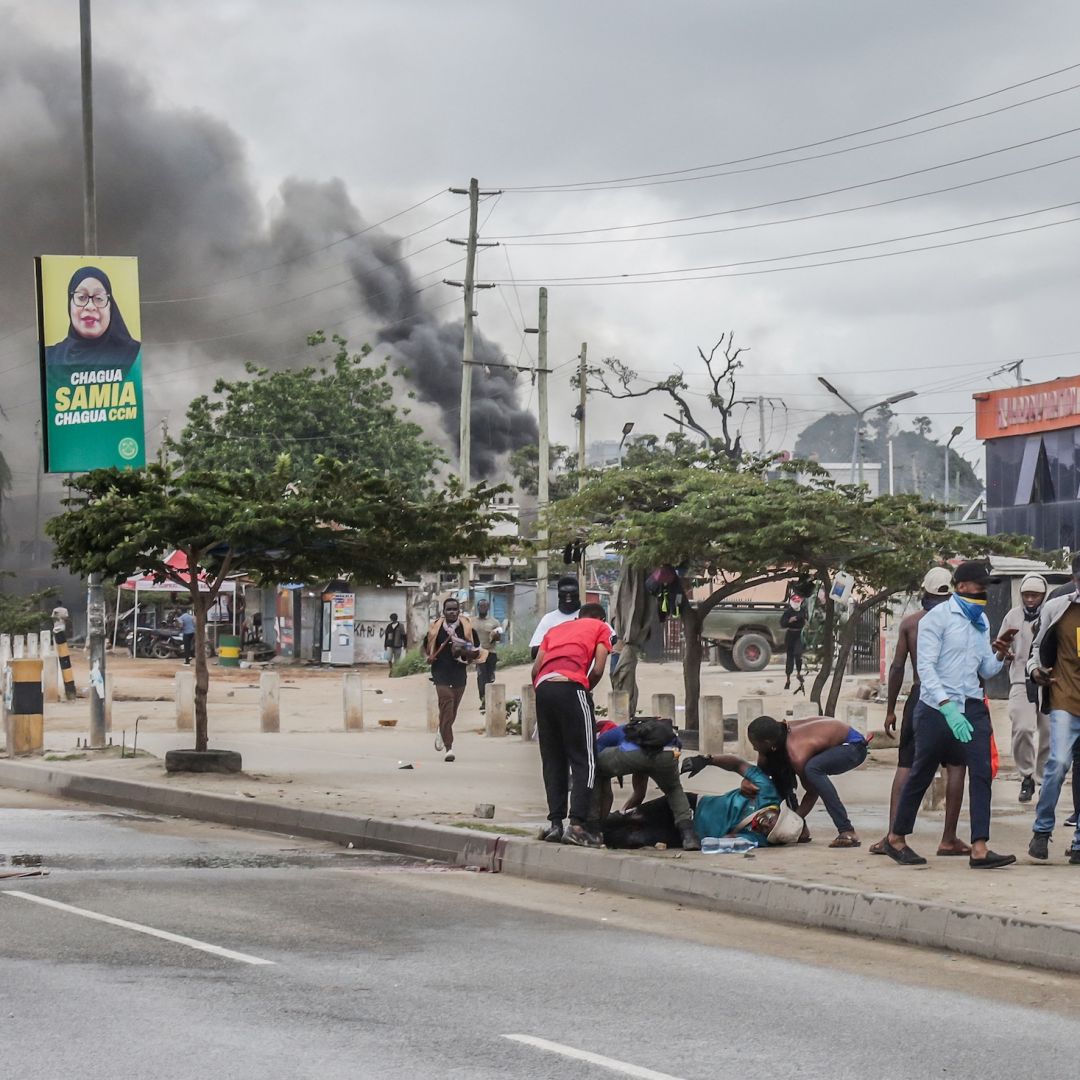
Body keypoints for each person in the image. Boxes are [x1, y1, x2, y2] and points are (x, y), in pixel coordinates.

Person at [884, 560, 1016, 869]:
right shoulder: (937, 619)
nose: (984, 591)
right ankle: (896, 838)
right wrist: (946, 707)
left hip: (971, 704)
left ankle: (980, 846)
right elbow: (926, 667)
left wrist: (999, 652)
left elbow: (985, 669)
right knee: (922, 772)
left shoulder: (980, 620)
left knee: (982, 773)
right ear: (962, 587)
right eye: (979, 586)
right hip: (935, 708)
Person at [869, 567, 970, 857]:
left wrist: (890, 709)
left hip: (922, 698)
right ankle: (948, 838)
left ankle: (893, 834)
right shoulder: (961, 621)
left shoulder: (913, 623)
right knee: (955, 767)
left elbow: (898, 666)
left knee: (907, 767)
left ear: (923, 592)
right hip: (953, 698)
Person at [532, 603, 611, 847]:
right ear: (601, 617)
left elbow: (535, 668)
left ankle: (555, 824)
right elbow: (597, 668)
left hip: (543, 688)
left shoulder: (556, 630)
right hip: (572, 686)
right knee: (585, 759)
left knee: (553, 758)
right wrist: (584, 689)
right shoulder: (601, 627)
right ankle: (576, 825)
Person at [601, 757, 804, 851]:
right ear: (777, 809)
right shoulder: (766, 792)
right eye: (771, 819)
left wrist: (734, 839)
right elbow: (737, 764)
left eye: (768, 830)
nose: (764, 824)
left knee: (632, 838)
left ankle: (601, 837)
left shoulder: (758, 839)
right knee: (631, 817)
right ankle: (591, 828)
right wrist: (707, 760)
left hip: (689, 834)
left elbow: (726, 840)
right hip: (692, 805)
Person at [1027, 553, 1080, 863]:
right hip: (1063, 698)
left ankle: (1078, 844)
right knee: (1058, 763)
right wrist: (1035, 671)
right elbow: (1035, 650)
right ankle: (1042, 830)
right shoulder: (1056, 609)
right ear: (1075, 579)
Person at [747, 715, 868, 848]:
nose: (754, 749)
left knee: (813, 769)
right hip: (834, 745)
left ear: (767, 742)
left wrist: (792, 821)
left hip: (853, 747)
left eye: (755, 745)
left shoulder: (797, 753)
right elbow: (763, 768)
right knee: (778, 768)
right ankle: (801, 831)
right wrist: (749, 779)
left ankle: (847, 830)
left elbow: (812, 792)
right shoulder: (778, 735)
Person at [592, 719, 699, 850]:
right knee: (673, 789)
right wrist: (625, 814)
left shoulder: (607, 737)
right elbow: (640, 792)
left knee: (596, 771)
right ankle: (688, 835)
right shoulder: (650, 733)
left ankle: (594, 827)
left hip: (633, 754)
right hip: (670, 751)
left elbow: (592, 761)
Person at [997, 573, 1050, 803]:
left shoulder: (1051, 614)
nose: (1030, 600)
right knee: (1022, 728)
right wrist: (1004, 653)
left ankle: (1042, 778)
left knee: (1049, 732)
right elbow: (1000, 647)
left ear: (1043, 595)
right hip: (1020, 678)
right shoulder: (1013, 616)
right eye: (1026, 595)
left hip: (1048, 680)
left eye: (1035, 595)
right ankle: (1026, 775)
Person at [45, 266, 141, 372]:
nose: (90, 306)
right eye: (81, 297)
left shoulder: (134, 354)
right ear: (69, 303)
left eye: (99, 298)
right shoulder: (49, 357)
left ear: (111, 306)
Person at [424, 598, 484, 763]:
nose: (451, 612)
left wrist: (462, 651)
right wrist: (429, 658)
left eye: (454, 609)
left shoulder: (467, 629)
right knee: (447, 703)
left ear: (459, 611)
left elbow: (477, 652)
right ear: (443, 612)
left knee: (452, 712)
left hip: (459, 674)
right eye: (448, 609)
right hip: (440, 674)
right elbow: (426, 649)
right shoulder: (435, 629)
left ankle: (441, 729)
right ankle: (449, 748)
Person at [529, 575, 582, 660]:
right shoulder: (549, 619)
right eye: (565, 595)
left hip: (583, 670)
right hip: (555, 670)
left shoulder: (588, 616)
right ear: (559, 595)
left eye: (571, 594)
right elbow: (534, 652)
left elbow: (609, 640)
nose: (568, 598)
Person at [470, 598, 504, 710]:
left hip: (491, 653)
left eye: (485, 606)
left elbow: (499, 638)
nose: (483, 608)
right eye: (481, 606)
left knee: (489, 678)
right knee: (481, 677)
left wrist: (496, 635)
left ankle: (489, 699)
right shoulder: (472, 621)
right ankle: (483, 700)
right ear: (477, 607)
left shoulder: (494, 622)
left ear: (488, 608)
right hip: (479, 653)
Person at [780, 591, 807, 693]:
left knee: (798, 654)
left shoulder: (803, 610)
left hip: (799, 635)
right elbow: (782, 623)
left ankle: (799, 673)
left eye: (798, 601)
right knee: (790, 657)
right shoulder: (788, 612)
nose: (796, 603)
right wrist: (789, 621)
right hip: (790, 635)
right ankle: (788, 679)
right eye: (794, 601)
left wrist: (805, 622)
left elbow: (805, 619)